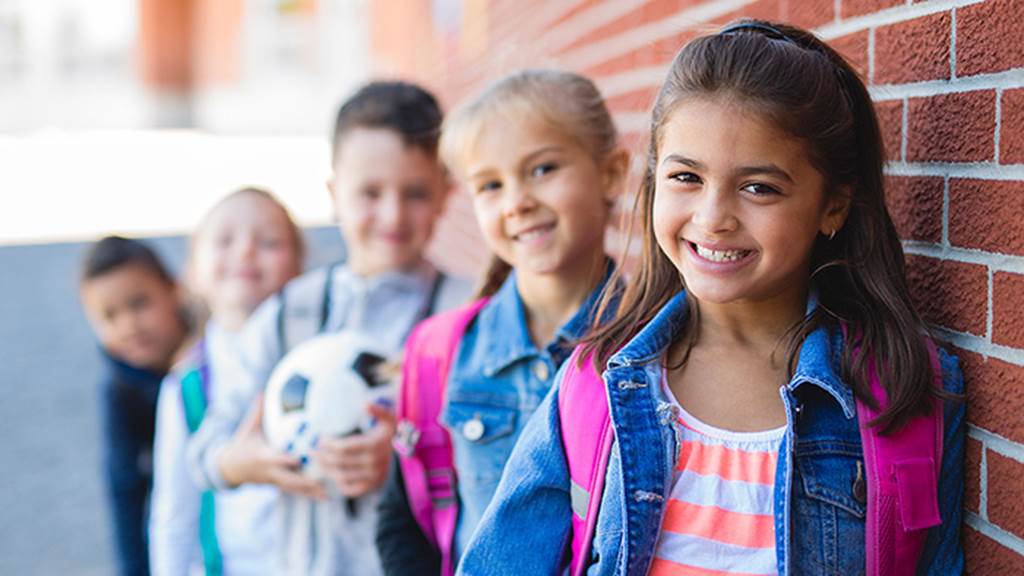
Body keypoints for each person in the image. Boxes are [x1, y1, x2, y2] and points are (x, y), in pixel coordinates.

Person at [458, 20, 965, 575]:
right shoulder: (595, 384)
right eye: (686, 178)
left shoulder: (905, 390)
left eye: (758, 188)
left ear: (833, 206)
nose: (713, 218)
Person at [184, 81, 473, 576]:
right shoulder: (289, 315)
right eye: (369, 192)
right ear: (334, 194)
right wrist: (246, 461)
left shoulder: (465, 314)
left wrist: (409, 458)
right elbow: (205, 454)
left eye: (416, 193)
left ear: (446, 193)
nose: (392, 214)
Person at [376, 69, 629, 575]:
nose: (517, 202)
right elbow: (402, 524)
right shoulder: (440, 352)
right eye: (490, 185)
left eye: (542, 169)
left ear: (611, 173)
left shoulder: (655, 349)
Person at [149, 187, 304, 575]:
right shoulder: (185, 389)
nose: (245, 251)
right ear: (193, 272)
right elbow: (173, 513)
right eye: (224, 240)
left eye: (268, 241)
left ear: (299, 270)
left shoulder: (315, 363)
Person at [80, 236, 191, 576]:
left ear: (174, 290)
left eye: (139, 303)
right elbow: (125, 493)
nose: (129, 325)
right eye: (110, 316)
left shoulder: (217, 351)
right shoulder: (121, 392)